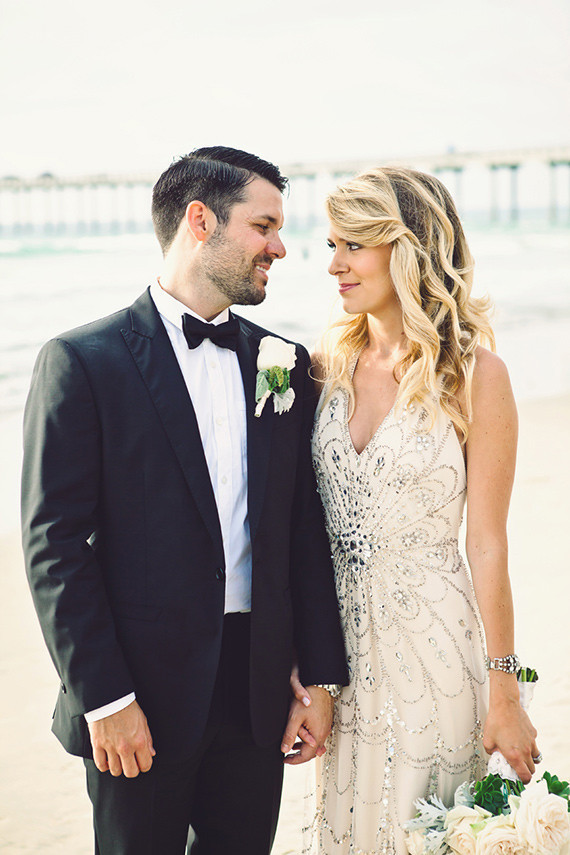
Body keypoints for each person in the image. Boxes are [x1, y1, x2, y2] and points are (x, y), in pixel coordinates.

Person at [21, 146, 348, 855]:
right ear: (201, 220)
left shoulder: (283, 363)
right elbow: (54, 548)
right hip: (138, 696)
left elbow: (301, 533)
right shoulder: (82, 363)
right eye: (263, 226)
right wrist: (104, 698)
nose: (280, 247)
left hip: (256, 697)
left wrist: (318, 674)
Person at [296, 167, 540, 854]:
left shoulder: (477, 375)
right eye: (332, 244)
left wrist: (507, 692)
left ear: (406, 249)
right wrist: (304, 668)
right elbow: (301, 533)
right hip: (337, 661)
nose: (334, 265)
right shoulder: (323, 367)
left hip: (433, 654)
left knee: (421, 834)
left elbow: (488, 543)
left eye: (354, 245)